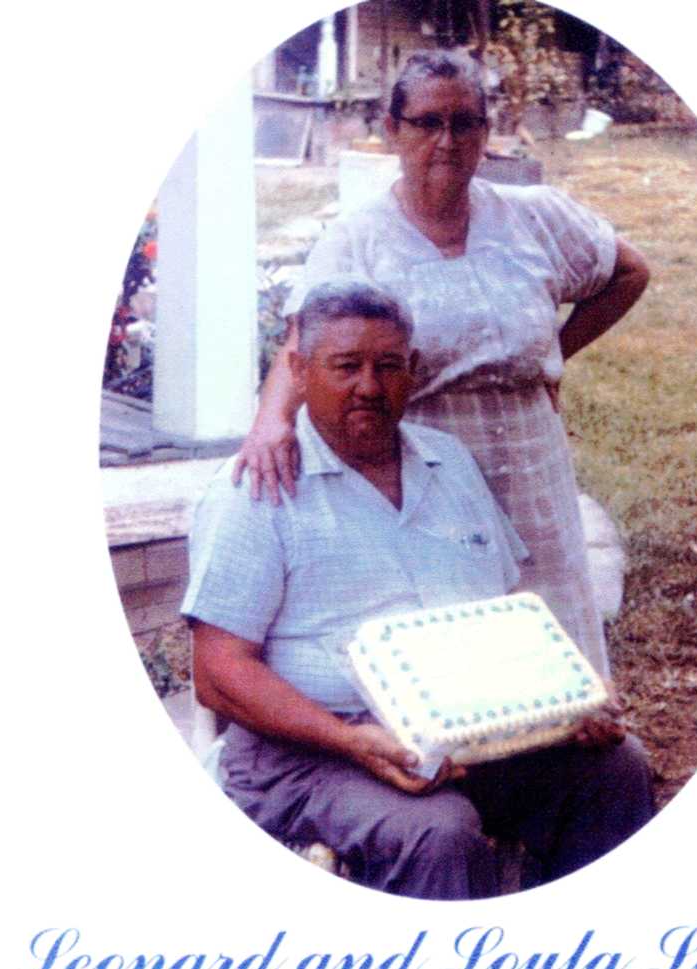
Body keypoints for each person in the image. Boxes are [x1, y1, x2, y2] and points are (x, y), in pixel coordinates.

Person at [185, 278, 654, 900]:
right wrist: (351, 741)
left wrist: (566, 702)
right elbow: (217, 673)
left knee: (614, 769)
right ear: (298, 370)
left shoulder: (448, 462)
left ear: (414, 370)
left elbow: (503, 620)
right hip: (309, 752)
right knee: (436, 829)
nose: (369, 386)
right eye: (345, 366)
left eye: (388, 366)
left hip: (461, 734)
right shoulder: (255, 489)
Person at [234, 49, 650, 680]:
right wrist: (271, 422)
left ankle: (561, 732)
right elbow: (305, 340)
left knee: (551, 632)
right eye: (427, 123)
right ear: (393, 129)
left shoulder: (533, 215)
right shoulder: (358, 240)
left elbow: (629, 272)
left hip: (533, 460)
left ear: (487, 130)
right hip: (429, 465)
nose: (447, 141)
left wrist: (550, 355)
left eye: (464, 123)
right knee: (457, 639)